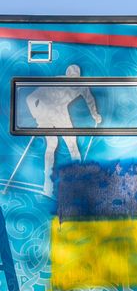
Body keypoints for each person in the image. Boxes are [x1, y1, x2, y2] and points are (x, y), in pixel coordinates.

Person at [26, 64, 101, 197]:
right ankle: (49, 187)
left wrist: (95, 114)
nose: (72, 78)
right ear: (66, 74)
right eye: (70, 75)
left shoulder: (81, 85)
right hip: (47, 113)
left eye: (75, 76)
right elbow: (30, 98)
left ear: (78, 76)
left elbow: (89, 99)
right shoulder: (57, 80)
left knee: (70, 145)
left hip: (59, 113)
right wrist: (36, 115)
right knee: (55, 145)